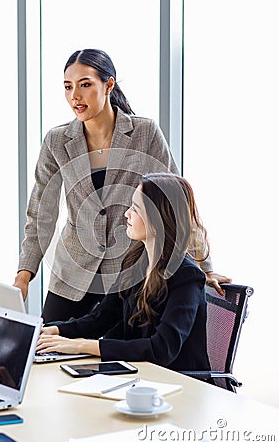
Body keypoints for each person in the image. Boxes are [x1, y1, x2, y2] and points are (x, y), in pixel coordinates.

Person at [14, 48, 230, 323]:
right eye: (68, 87)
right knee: (48, 350)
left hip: (128, 275)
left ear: (109, 84)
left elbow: (177, 202)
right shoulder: (57, 142)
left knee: (118, 357)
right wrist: (24, 275)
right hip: (72, 276)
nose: (74, 96)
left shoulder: (144, 133)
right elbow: (41, 214)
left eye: (85, 85)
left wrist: (204, 267)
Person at [36, 173, 210, 372]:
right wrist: (54, 330)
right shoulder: (135, 261)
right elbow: (101, 318)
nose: (126, 214)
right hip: (138, 375)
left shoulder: (186, 276)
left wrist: (80, 345)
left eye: (135, 209)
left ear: (158, 218)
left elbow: (162, 349)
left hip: (178, 382)